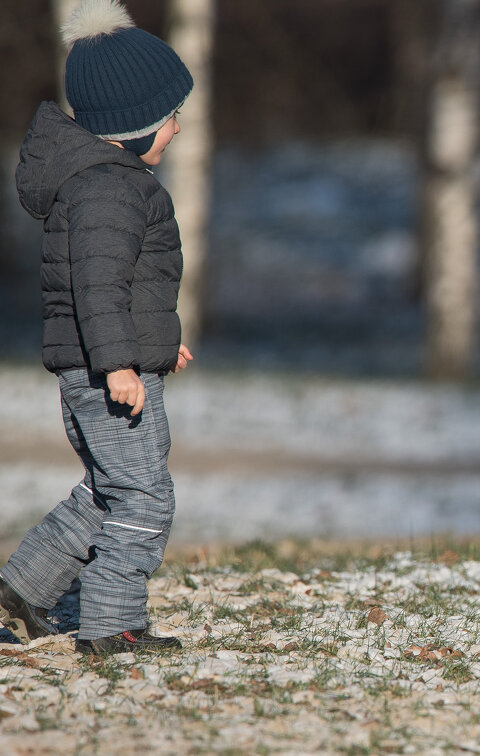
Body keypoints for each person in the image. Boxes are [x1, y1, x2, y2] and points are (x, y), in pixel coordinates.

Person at [0, 0, 195, 656]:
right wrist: (118, 363)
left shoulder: (104, 184)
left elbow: (127, 286)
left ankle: (25, 587)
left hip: (104, 362)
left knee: (109, 489)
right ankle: (112, 626)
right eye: (170, 117)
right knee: (143, 499)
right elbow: (97, 286)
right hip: (105, 370)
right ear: (134, 124)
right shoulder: (110, 192)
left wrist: (159, 343)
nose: (178, 128)